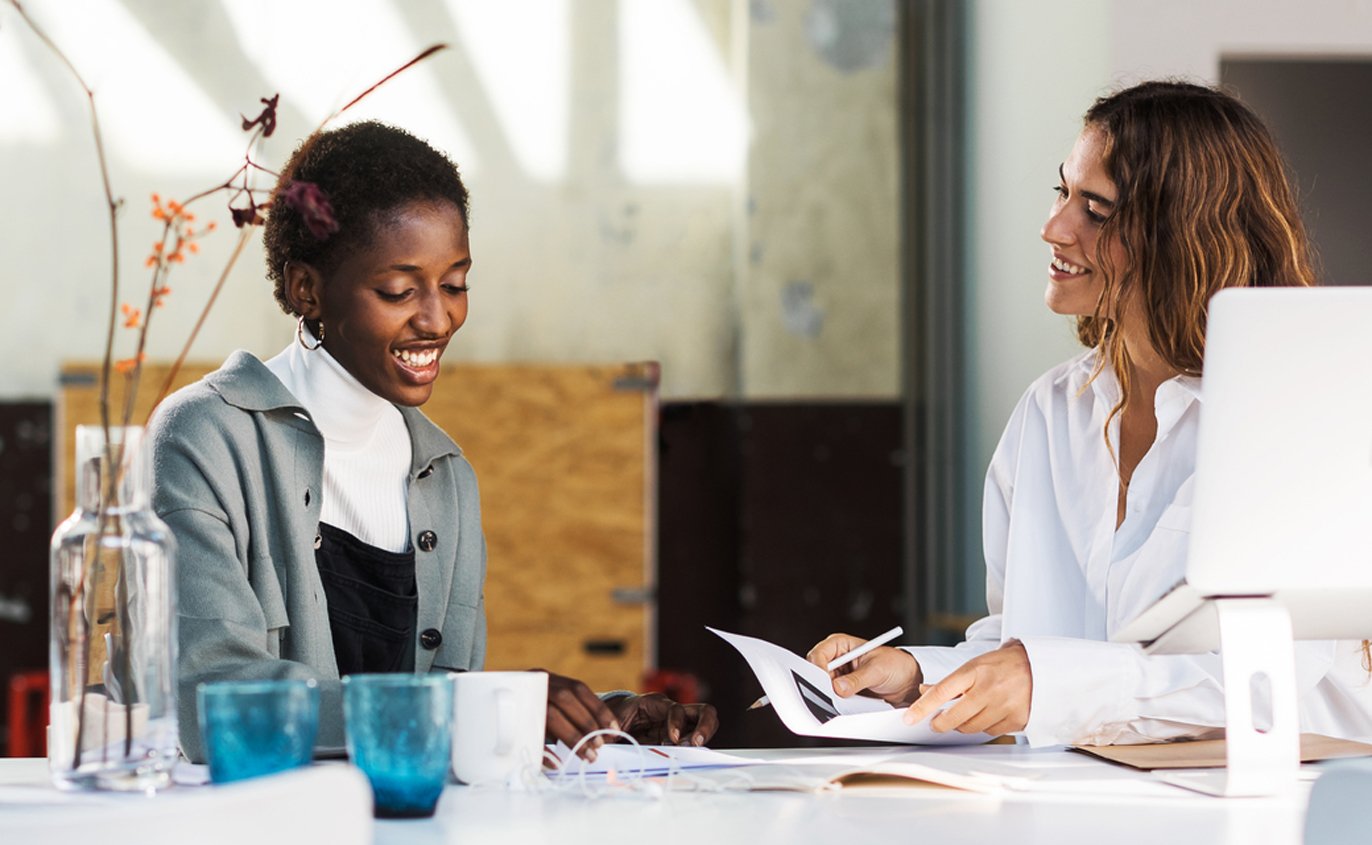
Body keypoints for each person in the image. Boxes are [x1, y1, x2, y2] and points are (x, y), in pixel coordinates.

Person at [808, 79, 1372, 747]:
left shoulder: (1299, 415)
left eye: (1096, 210)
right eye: (1062, 192)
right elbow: (1025, 654)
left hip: (1295, 816)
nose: (1054, 228)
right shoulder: (1050, 413)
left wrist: (1043, 681)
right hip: (1099, 814)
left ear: (1181, 234)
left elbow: (1266, 677)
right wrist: (916, 679)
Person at [148, 121, 717, 762]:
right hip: (255, 835)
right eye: (398, 290)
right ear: (306, 288)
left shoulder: (445, 475)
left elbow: (439, 708)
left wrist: (585, 724)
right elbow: (211, 703)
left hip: (412, 834)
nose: (437, 318)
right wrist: (488, 705)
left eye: (455, 284)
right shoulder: (205, 436)